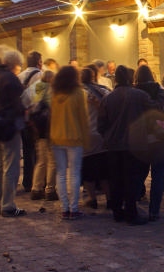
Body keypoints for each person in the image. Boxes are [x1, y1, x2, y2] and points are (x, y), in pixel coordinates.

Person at [98, 65, 154, 225]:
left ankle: (117, 211)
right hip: (134, 144)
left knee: (116, 179)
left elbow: (101, 124)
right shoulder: (141, 96)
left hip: (114, 145)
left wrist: (108, 136)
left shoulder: (107, 98)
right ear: (130, 79)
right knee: (133, 179)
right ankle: (131, 212)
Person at [0, 47, 26, 218]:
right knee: (10, 166)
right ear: (13, 64)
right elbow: (20, 102)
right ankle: (8, 205)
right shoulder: (10, 79)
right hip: (8, 126)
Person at [49, 65, 90, 220]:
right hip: (74, 137)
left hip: (56, 137)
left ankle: (64, 208)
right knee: (74, 173)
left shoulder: (54, 93)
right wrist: (86, 139)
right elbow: (83, 118)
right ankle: (74, 208)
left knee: (60, 173)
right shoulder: (79, 93)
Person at [134, 64, 164, 222]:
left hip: (141, 139)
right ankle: (154, 211)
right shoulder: (161, 93)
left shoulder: (134, 93)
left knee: (138, 173)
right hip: (159, 139)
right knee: (158, 175)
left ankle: (135, 203)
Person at [81, 67, 111, 210]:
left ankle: (92, 199)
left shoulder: (78, 93)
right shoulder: (103, 91)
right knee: (104, 170)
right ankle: (109, 199)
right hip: (101, 134)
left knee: (88, 170)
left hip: (86, 135)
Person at [27, 70, 58, 201]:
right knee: (52, 160)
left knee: (41, 160)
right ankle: (50, 190)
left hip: (38, 130)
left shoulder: (36, 90)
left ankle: (36, 188)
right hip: (50, 129)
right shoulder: (52, 92)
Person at [19, 51, 43, 193]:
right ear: (39, 62)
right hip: (36, 119)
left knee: (27, 151)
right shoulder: (40, 76)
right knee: (40, 152)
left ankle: (27, 181)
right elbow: (38, 99)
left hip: (23, 118)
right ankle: (37, 181)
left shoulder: (19, 76)